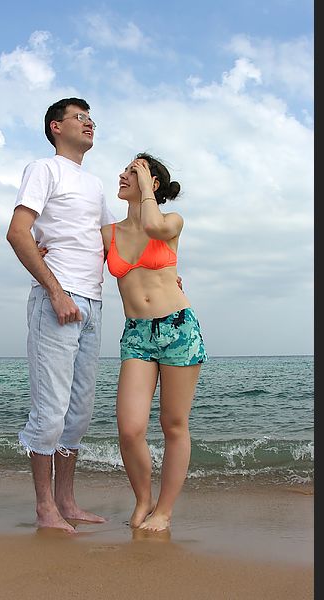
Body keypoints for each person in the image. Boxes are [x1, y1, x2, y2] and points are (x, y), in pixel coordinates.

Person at [6, 97, 114, 533]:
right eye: (79, 117)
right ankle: (44, 507)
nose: (89, 123)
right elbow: (18, 232)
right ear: (56, 127)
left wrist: (165, 273)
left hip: (93, 303)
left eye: (91, 118)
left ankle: (67, 501)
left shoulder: (96, 185)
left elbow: (114, 245)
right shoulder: (43, 169)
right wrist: (54, 290)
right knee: (50, 411)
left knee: (79, 412)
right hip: (58, 298)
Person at [101, 153, 207, 532]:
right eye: (125, 169)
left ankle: (164, 510)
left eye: (134, 170)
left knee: (173, 423)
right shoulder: (108, 233)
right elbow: (77, 260)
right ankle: (143, 500)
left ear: (154, 184)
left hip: (178, 328)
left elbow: (154, 227)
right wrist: (48, 253)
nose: (123, 174)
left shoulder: (171, 222)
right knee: (129, 428)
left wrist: (145, 188)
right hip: (137, 335)